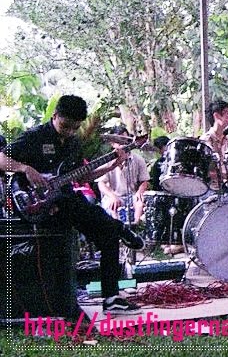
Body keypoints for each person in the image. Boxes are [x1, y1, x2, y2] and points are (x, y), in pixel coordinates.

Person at [0, 95, 144, 315]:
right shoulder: (35, 136)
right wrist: (25, 169)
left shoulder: (74, 143)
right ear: (55, 115)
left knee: (107, 233)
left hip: (65, 201)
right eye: (65, 126)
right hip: (34, 203)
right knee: (79, 207)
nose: (69, 132)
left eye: (74, 128)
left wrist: (113, 164)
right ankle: (121, 228)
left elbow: (82, 177)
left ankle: (112, 297)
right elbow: (2, 159)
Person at [96, 125, 150, 225]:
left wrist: (139, 192)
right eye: (119, 141)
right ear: (112, 143)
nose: (123, 144)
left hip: (132, 195)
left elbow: (144, 181)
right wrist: (112, 196)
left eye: (125, 140)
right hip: (114, 196)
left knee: (139, 203)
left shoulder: (138, 159)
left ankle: (135, 225)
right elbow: (101, 183)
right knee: (113, 205)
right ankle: (117, 228)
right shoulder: (106, 161)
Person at [199, 100, 228, 192]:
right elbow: (203, 170)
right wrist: (226, 175)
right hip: (210, 190)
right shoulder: (206, 140)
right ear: (217, 116)